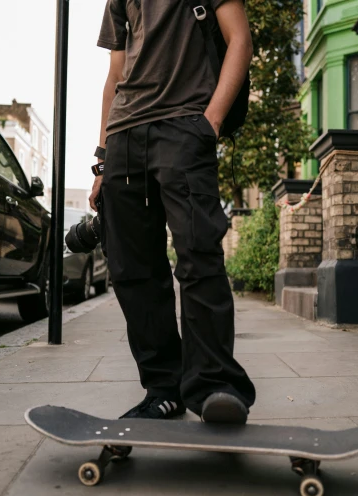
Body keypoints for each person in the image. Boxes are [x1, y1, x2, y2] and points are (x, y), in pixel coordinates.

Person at [90, 0, 256, 424]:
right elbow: (116, 74)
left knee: (199, 254)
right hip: (125, 135)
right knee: (132, 268)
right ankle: (163, 388)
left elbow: (240, 40)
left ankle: (215, 384)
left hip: (185, 126)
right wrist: (102, 158)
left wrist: (211, 122)